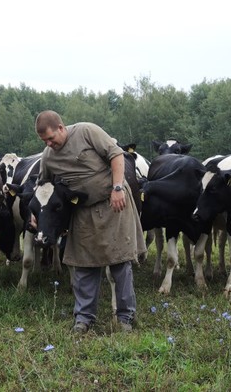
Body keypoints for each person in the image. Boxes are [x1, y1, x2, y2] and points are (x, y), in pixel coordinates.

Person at [34, 110, 147, 333]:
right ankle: (84, 318)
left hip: (114, 204)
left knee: (119, 262)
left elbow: (116, 155)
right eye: (44, 141)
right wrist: (34, 213)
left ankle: (125, 318)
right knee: (84, 265)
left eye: (51, 138)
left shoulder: (87, 131)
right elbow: (43, 185)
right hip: (83, 211)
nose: (49, 144)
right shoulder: (48, 156)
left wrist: (117, 188)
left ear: (61, 127)